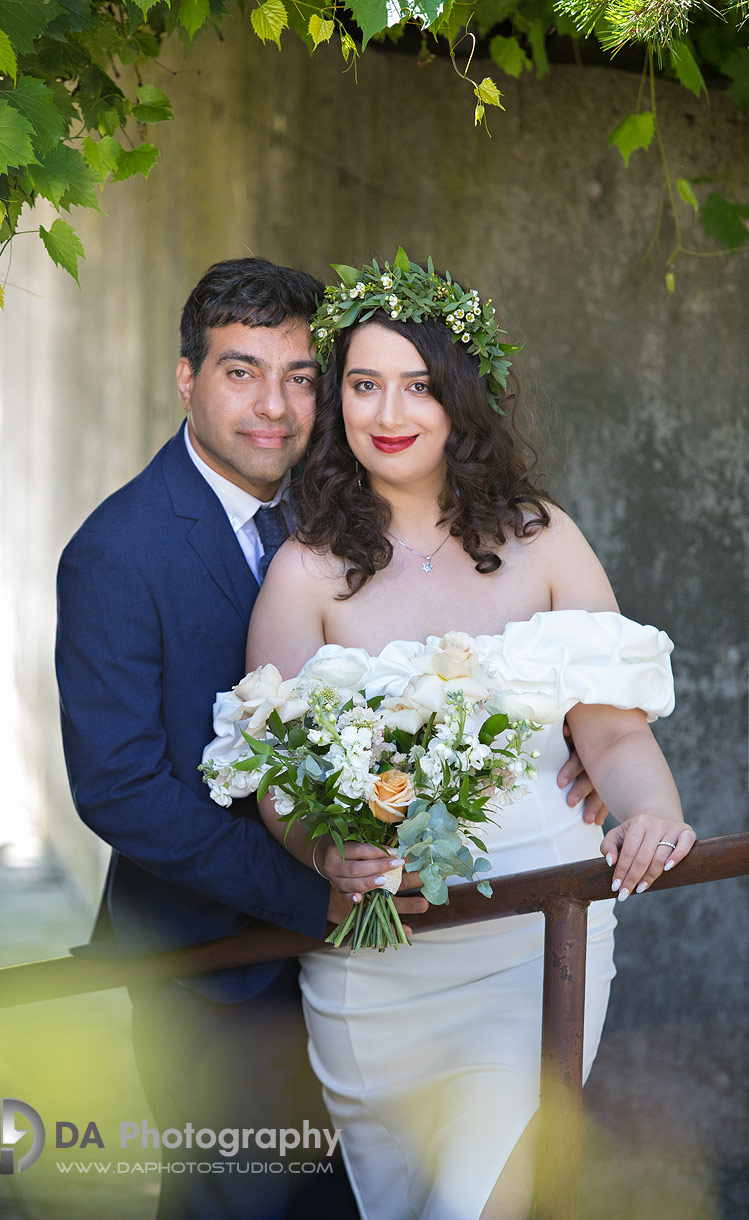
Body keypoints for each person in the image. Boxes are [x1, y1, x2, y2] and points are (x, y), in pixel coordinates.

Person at [55, 256, 606, 1220]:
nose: (273, 406)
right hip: (222, 964)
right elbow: (119, 786)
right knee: (244, 1204)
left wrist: (568, 757)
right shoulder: (118, 550)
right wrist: (317, 886)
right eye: (239, 372)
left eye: (300, 376)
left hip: (397, 957)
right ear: (187, 379)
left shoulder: (342, 508)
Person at [236, 253, 697, 1220]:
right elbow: (272, 772)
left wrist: (652, 811)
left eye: (417, 385)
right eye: (363, 384)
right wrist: (327, 849)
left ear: (460, 401)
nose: (387, 410)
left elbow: (609, 736)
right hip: (382, 963)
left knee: (471, 1202)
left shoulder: (546, 540)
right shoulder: (304, 573)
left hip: (537, 937)